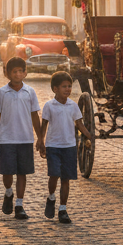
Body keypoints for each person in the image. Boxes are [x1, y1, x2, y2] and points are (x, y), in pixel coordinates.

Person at [0, 56, 44, 220]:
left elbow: (35, 116)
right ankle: (8, 192)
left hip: (26, 139)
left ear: (25, 73)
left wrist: (40, 138)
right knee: (7, 172)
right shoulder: (2, 92)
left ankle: (19, 204)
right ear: (7, 74)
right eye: (14, 71)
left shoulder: (30, 92)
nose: (18, 74)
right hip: (7, 139)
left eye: (21, 71)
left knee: (22, 173)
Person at [37, 71, 92, 224]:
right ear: (55, 89)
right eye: (64, 87)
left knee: (66, 179)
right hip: (53, 146)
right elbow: (44, 125)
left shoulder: (73, 106)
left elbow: (79, 123)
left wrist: (89, 135)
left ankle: (62, 209)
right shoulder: (49, 106)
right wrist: (41, 141)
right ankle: (51, 196)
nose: (67, 89)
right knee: (54, 175)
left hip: (69, 146)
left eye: (69, 86)